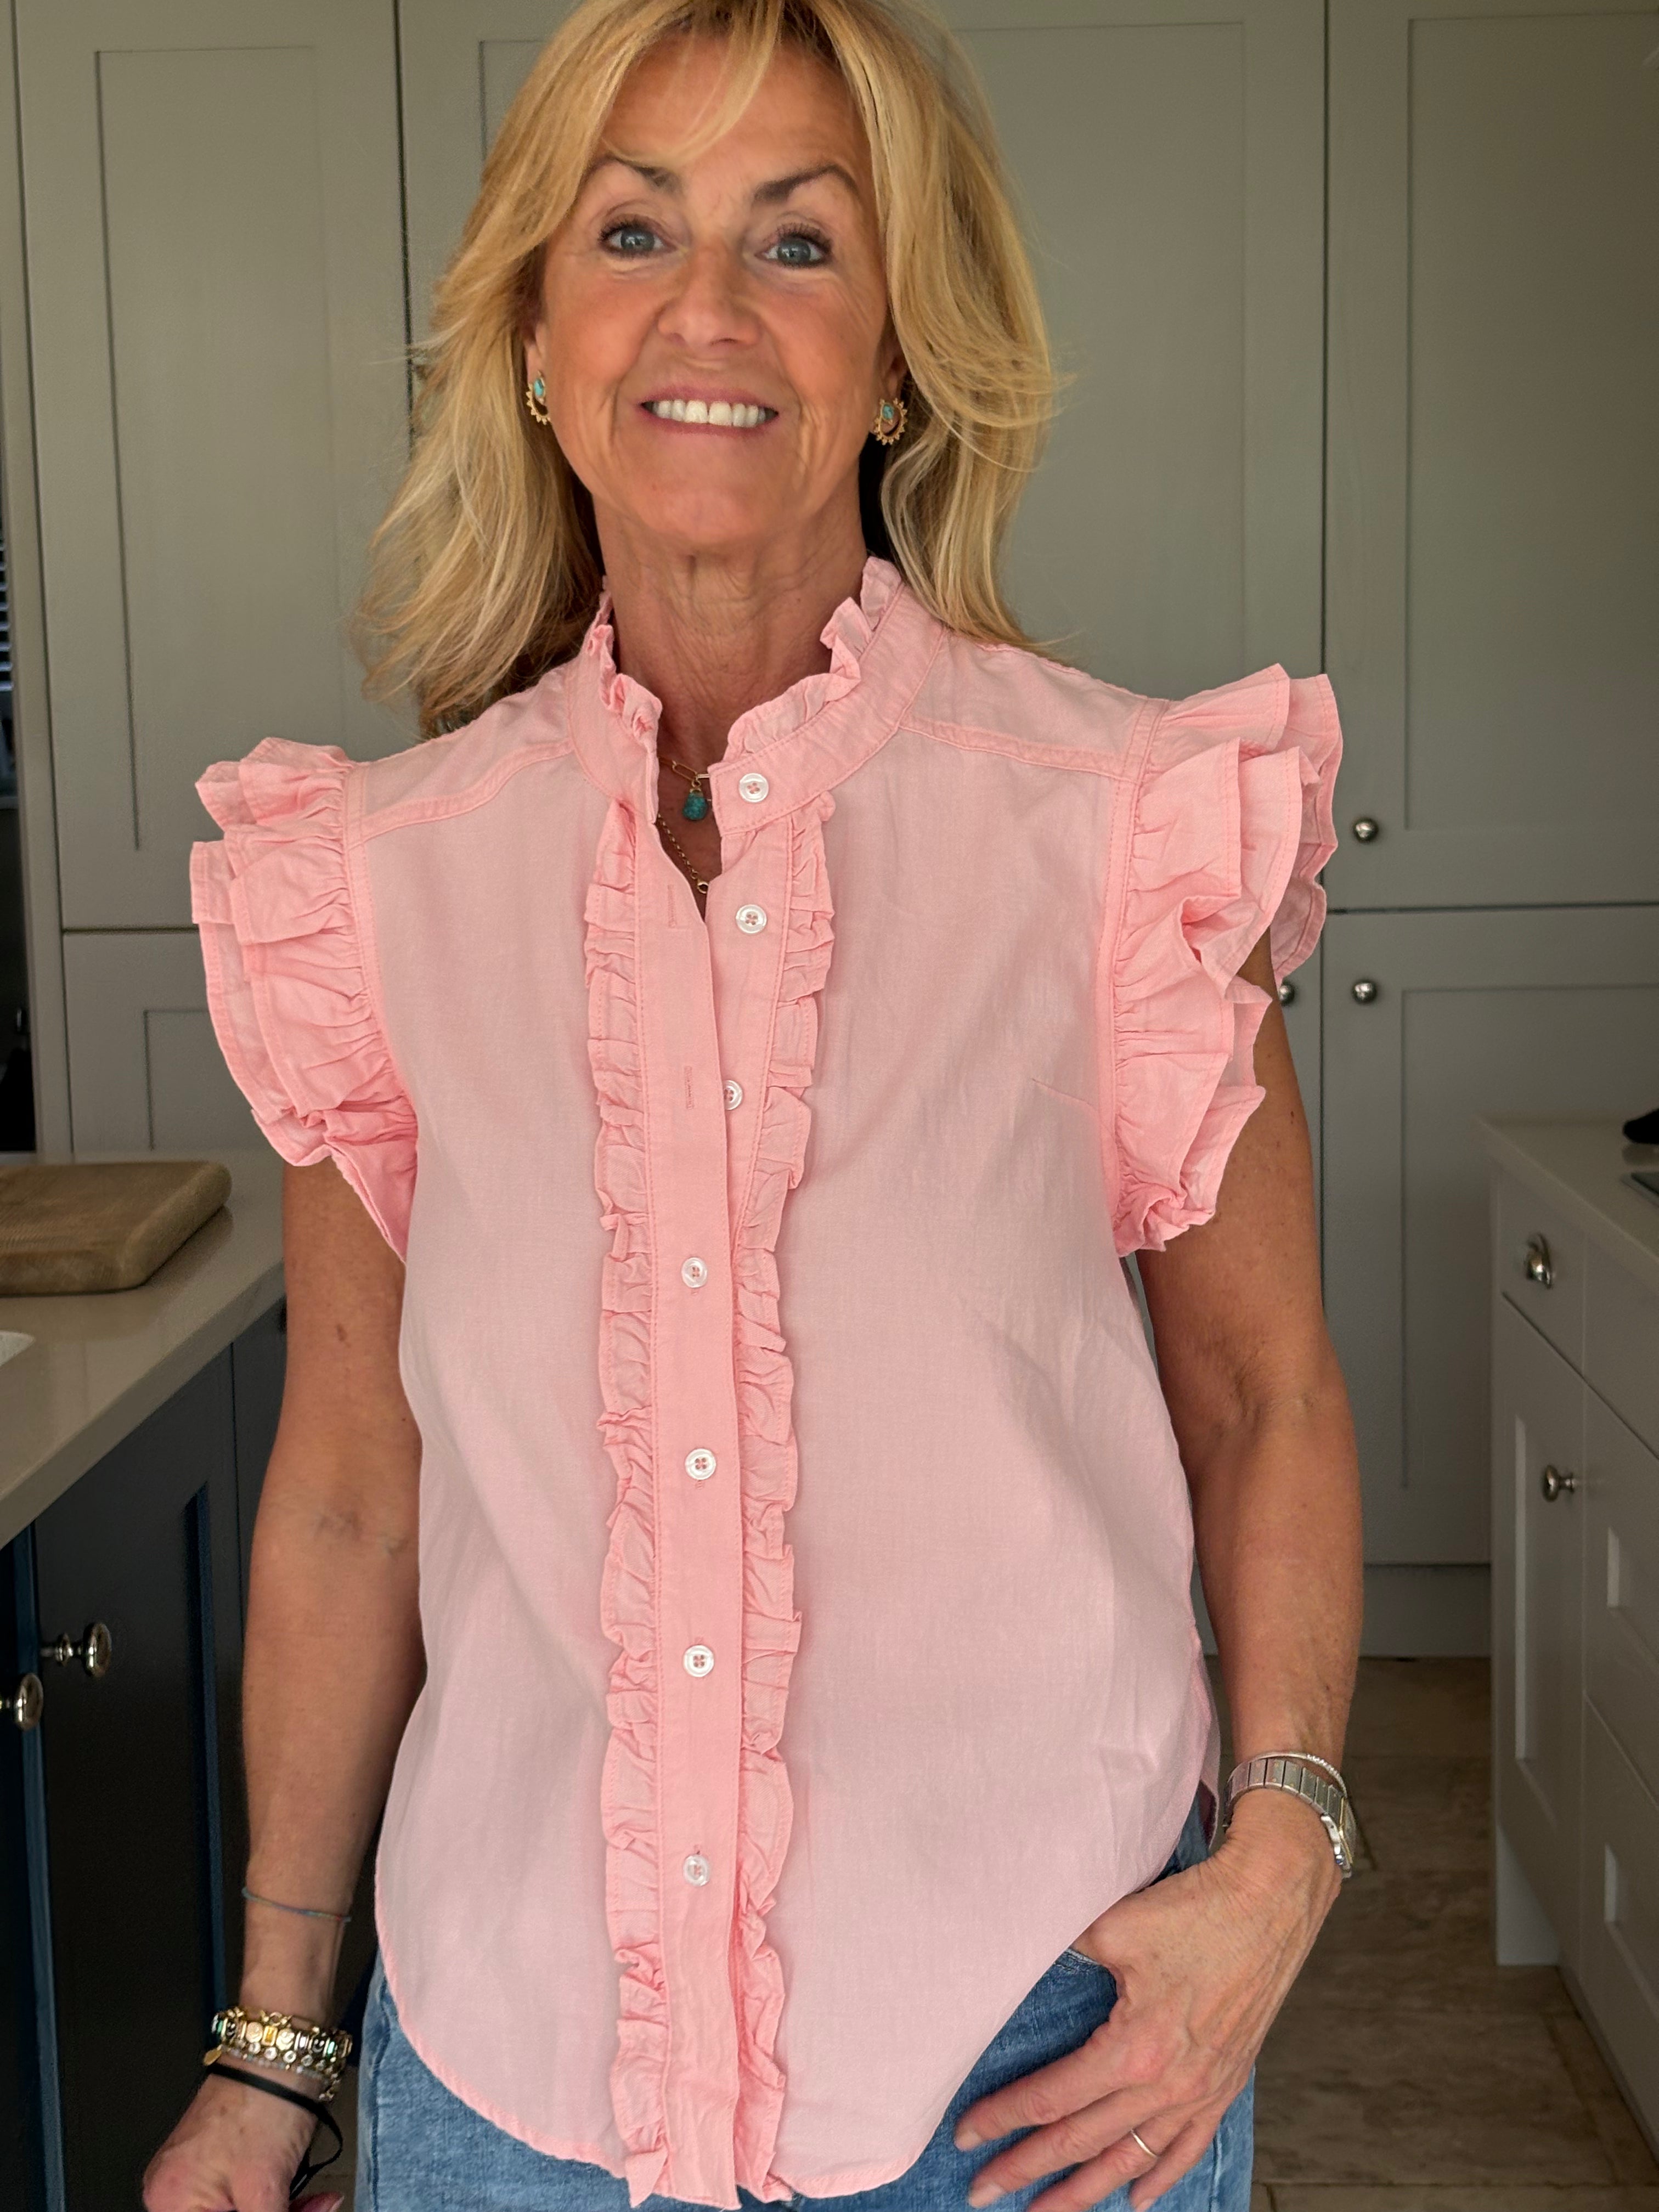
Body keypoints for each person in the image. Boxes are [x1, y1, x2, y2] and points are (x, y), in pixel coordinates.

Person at [144, 2, 1362, 2208]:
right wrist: (275, 2043)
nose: (706, 309)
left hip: (1043, 2073)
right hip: (513, 2094)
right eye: (633, 233)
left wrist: (1284, 1858)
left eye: (799, 242)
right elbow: (345, 1497)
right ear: (538, 339)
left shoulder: (1126, 835)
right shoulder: (379, 889)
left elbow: (1263, 1394)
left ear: (898, 353)